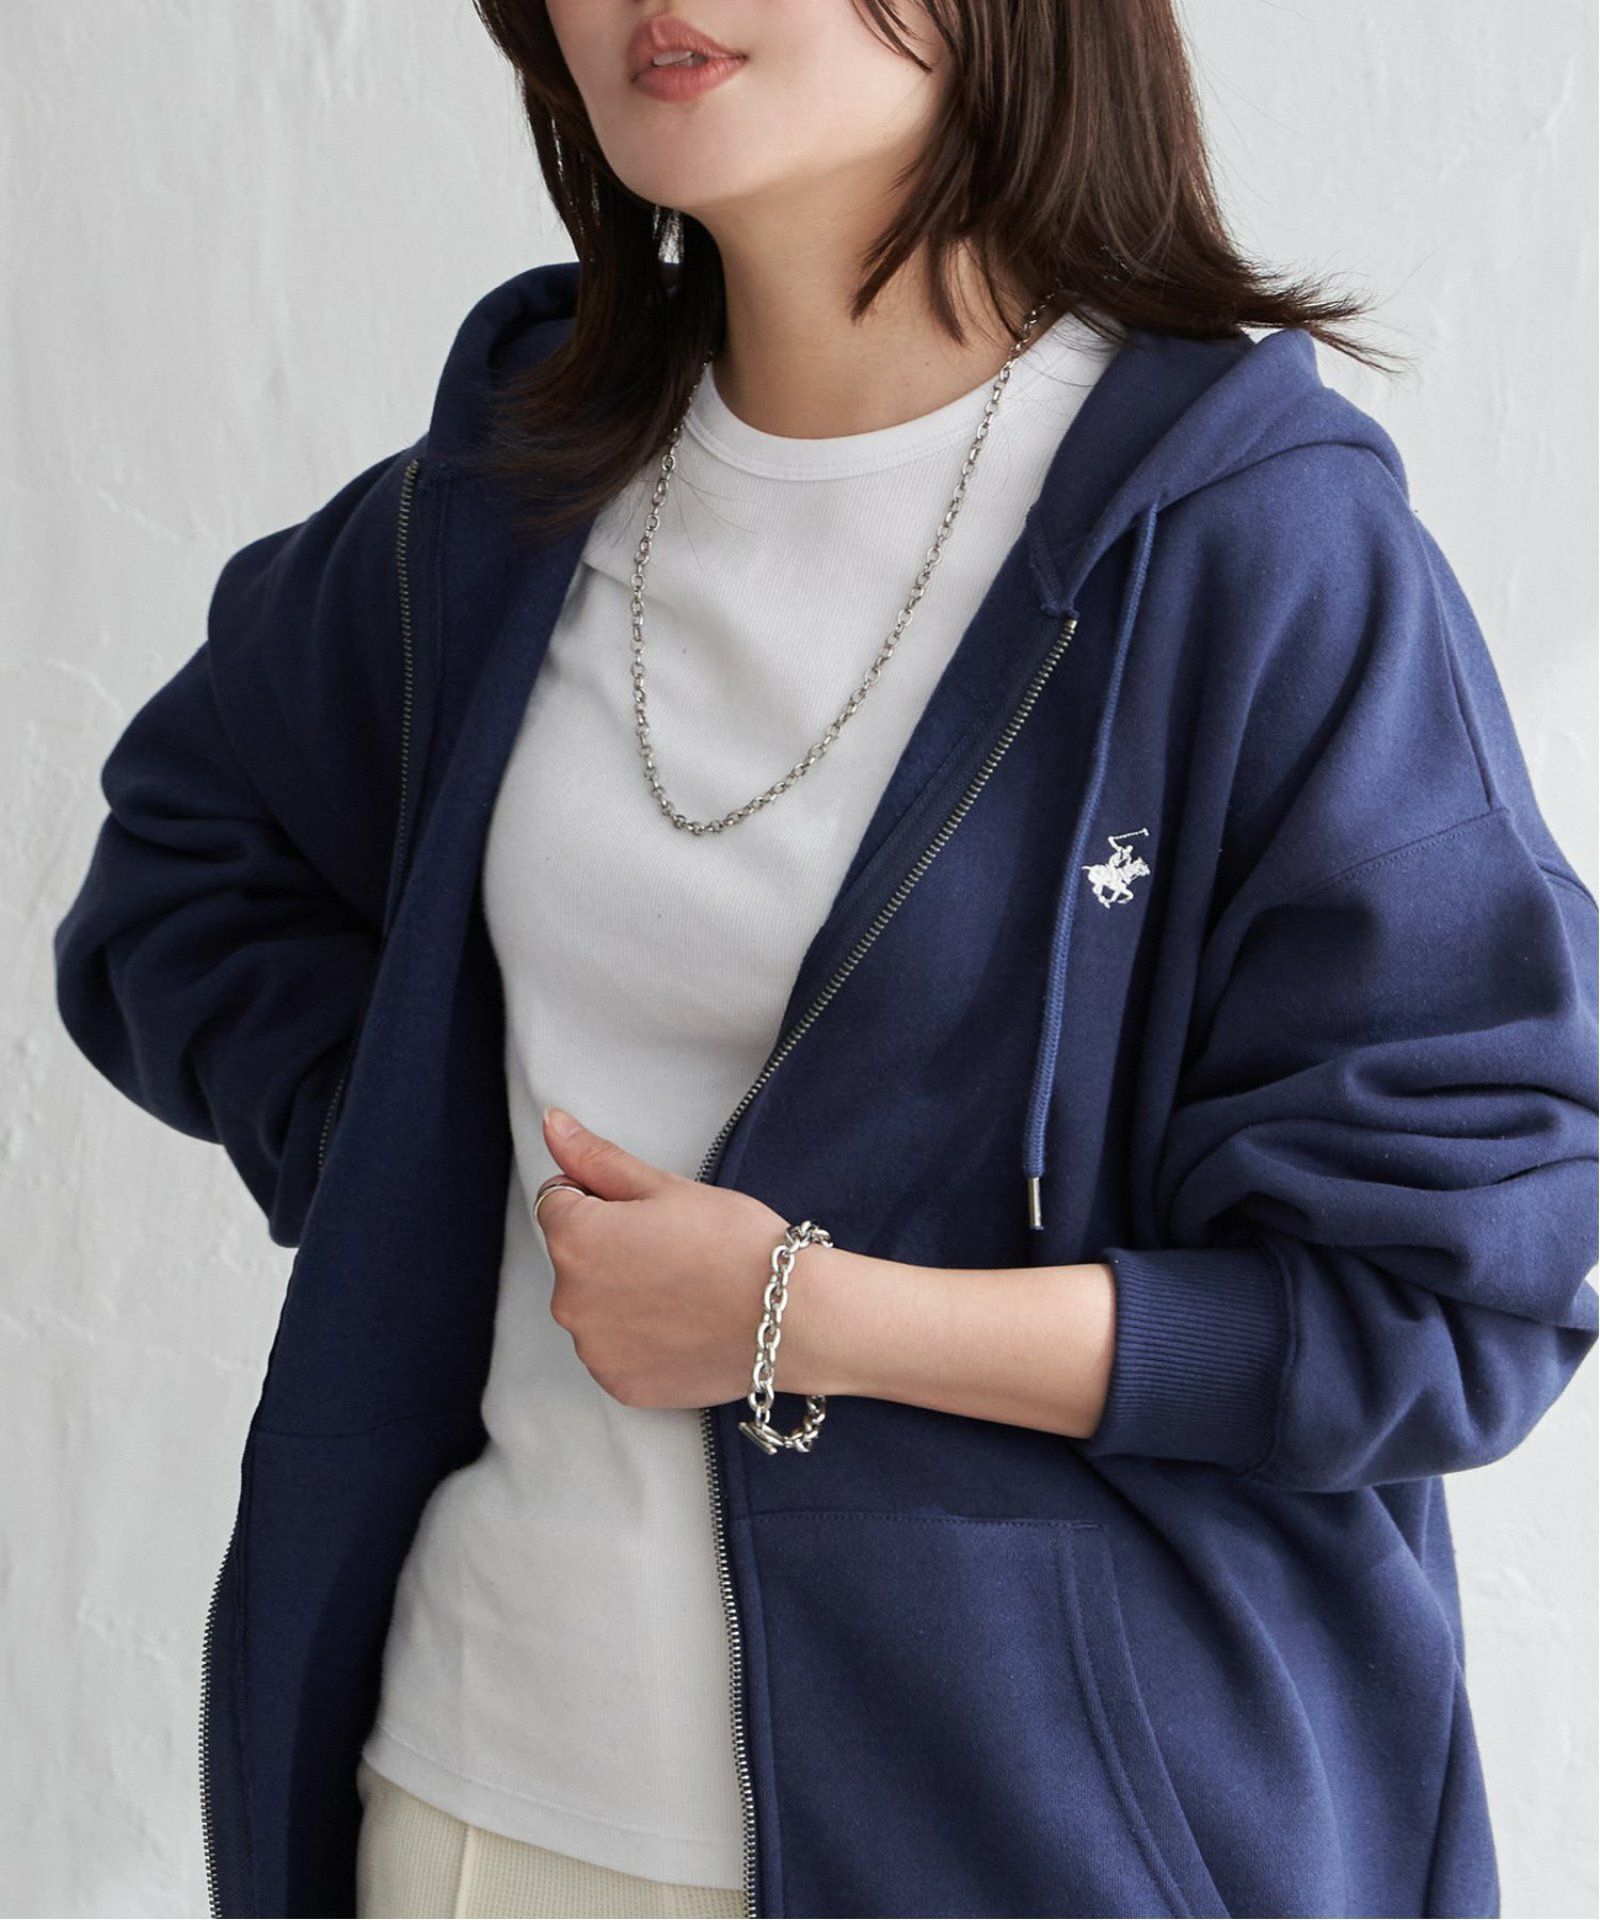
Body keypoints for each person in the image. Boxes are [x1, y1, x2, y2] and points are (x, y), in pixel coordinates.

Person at [52, 2, 1599, 1917]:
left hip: (1038, 1856)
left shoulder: (1251, 549)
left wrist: (813, 1318)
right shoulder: (499, 512)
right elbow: (183, 875)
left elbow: (1449, 1303)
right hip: (477, 1807)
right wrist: (423, 1180)